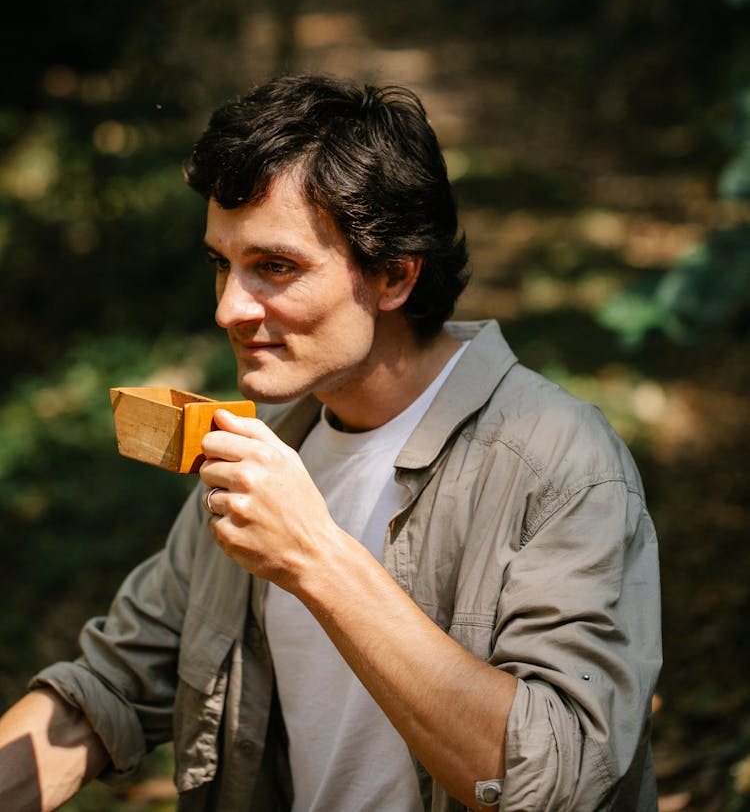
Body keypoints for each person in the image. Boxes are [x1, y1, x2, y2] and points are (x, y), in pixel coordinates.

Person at [0, 73, 662, 811]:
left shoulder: (561, 465)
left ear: (394, 275)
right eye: (223, 263)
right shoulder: (261, 451)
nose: (229, 308)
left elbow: (558, 781)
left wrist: (315, 556)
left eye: (275, 267)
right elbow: (106, 690)